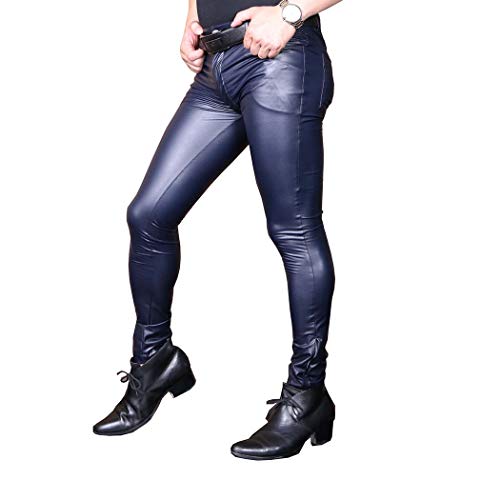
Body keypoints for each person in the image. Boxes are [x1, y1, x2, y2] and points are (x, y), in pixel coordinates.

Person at [93, 0, 343, 460]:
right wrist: (193, 16)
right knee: (148, 215)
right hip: (217, 67)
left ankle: (306, 393)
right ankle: (156, 360)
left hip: (279, 61)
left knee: (293, 231)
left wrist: (290, 14)